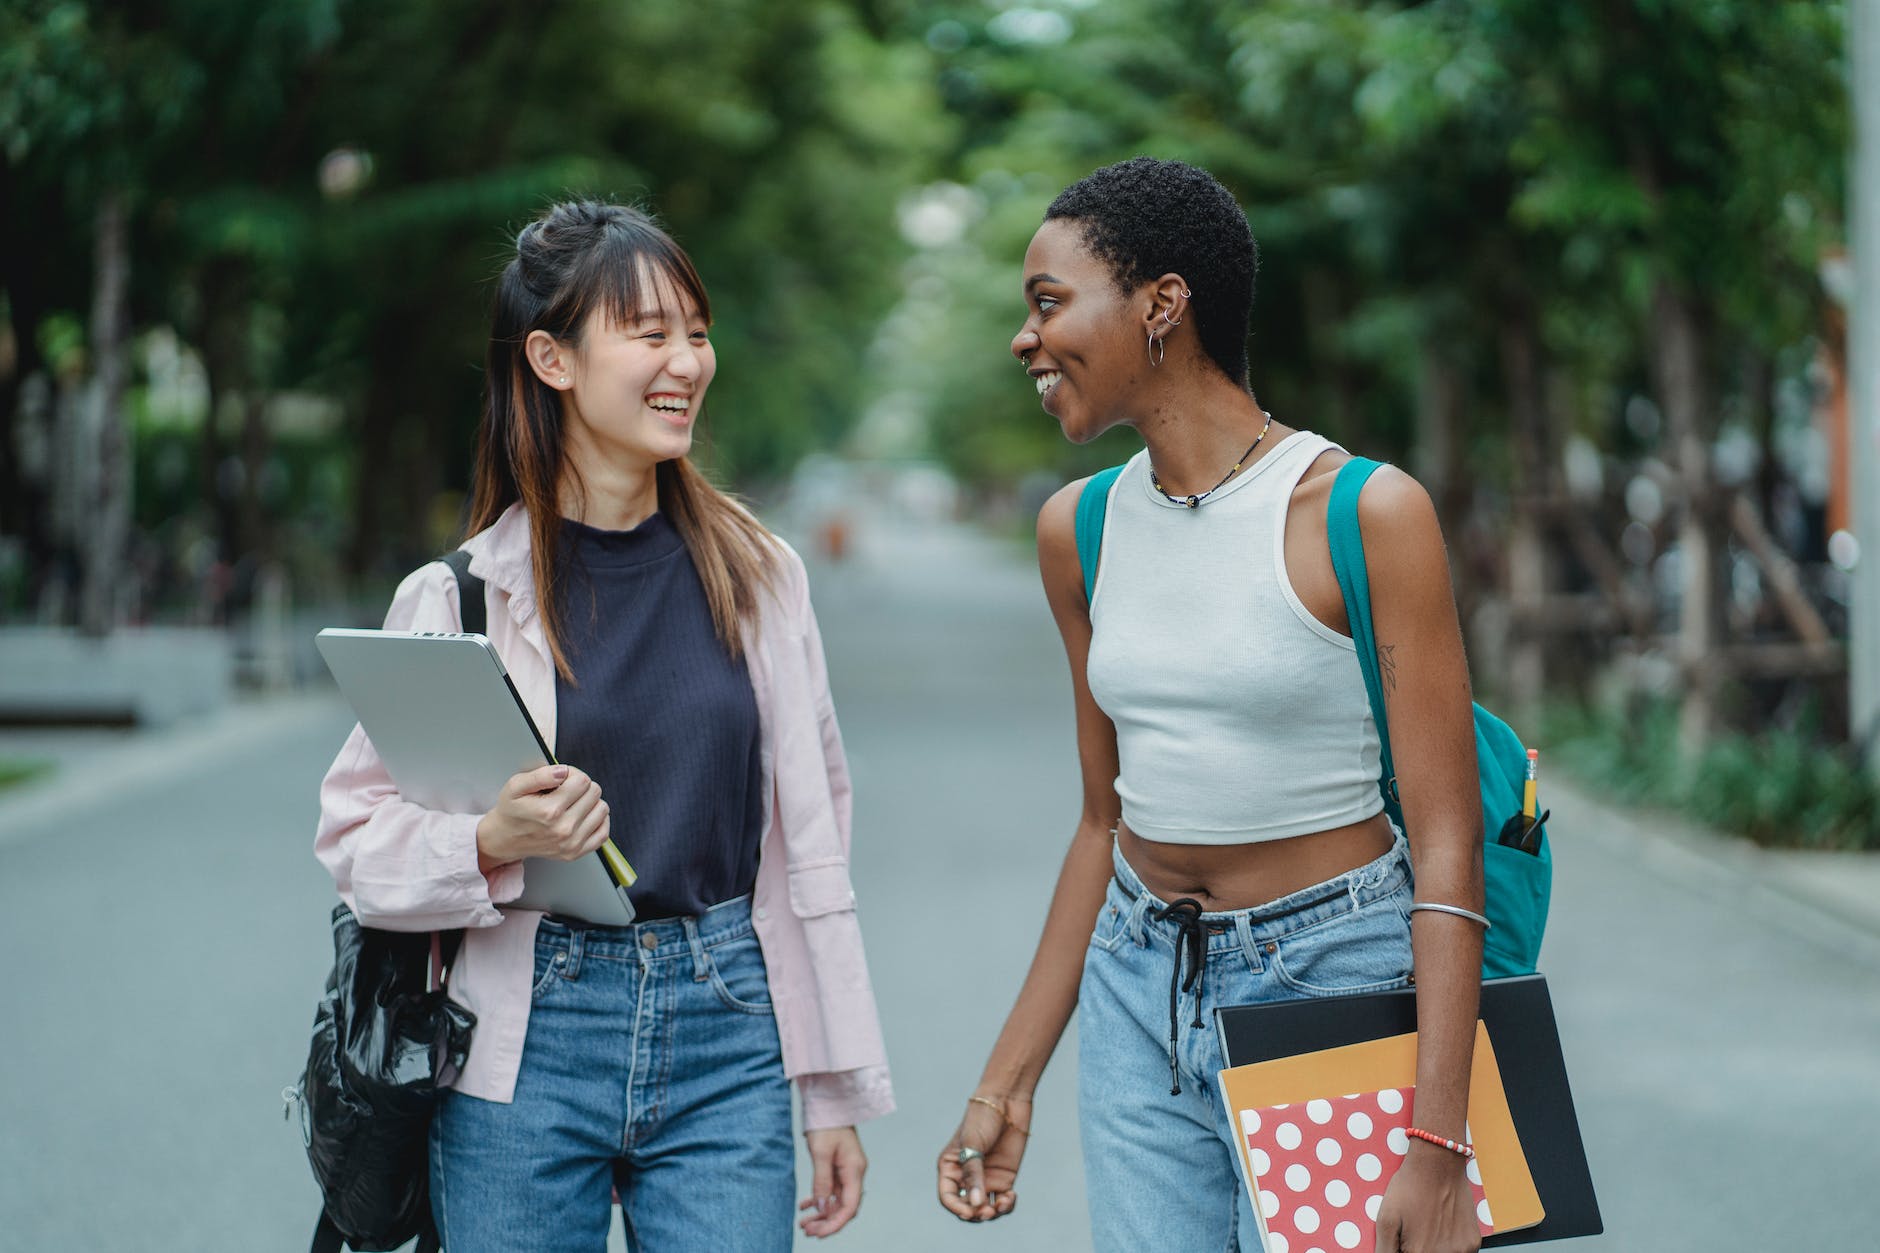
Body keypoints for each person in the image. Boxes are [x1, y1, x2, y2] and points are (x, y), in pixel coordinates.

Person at [316, 199, 892, 1251]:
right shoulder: (457, 599)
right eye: (649, 331)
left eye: (696, 331)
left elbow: (814, 848)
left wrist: (830, 1086)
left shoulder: (759, 576)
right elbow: (353, 844)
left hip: (729, 1027)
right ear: (552, 358)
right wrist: (489, 839)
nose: (686, 361)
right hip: (524, 1038)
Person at [935, 158, 1486, 1253]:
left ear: (1160, 305)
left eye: (1048, 303)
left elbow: (1445, 841)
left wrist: (1438, 1140)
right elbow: (1103, 821)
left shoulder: (1364, 512)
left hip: (1331, 974)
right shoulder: (1077, 531)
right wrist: (1006, 1082)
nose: (1023, 338)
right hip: (1141, 983)